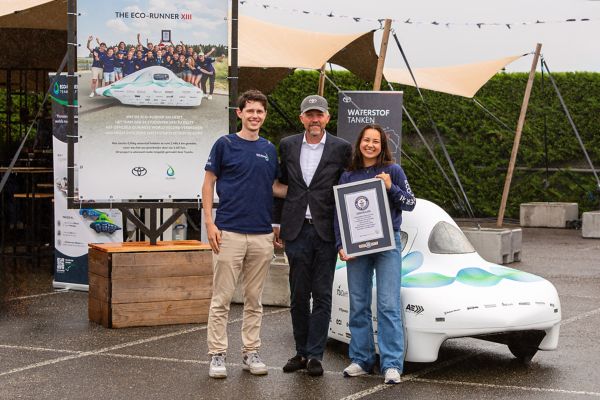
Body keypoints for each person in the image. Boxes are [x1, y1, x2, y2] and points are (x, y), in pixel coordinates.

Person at [202, 89, 286, 379]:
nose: (254, 116)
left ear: (264, 115)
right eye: (249, 110)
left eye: (259, 111)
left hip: (262, 236)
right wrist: (210, 223)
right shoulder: (224, 144)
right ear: (239, 113)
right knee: (221, 299)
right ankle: (217, 355)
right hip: (228, 233)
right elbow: (208, 184)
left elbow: (274, 188)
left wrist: (310, 190)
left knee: (254, 300)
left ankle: (251, 352)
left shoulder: (270, 149)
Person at [275, 94, 352, 376]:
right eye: (310, 115)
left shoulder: (342, 148)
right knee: (297, 296)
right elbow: (281, 184)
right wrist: (277, 224)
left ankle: (315, 355)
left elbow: (348, 188)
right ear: (302, 119)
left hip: (326, 232)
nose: (315, 119)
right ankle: (300, 352)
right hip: (296, 230)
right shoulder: (288, 145)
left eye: (319, 115)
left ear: (327, 118)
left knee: (321, 295)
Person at [335, 124, 416, 385]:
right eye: (366, 140)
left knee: (388, 304)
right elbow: (340, 214)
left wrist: (391, 187)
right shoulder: (348, 175)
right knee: (358, 303)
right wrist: (341, 244)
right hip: (357, 245)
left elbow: (410, 203)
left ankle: (392, 364)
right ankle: (361, 359)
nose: (370, 145)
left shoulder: (392, 170)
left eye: (376, 141)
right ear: (359, 143)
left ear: (382, 146)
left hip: (387, 243)